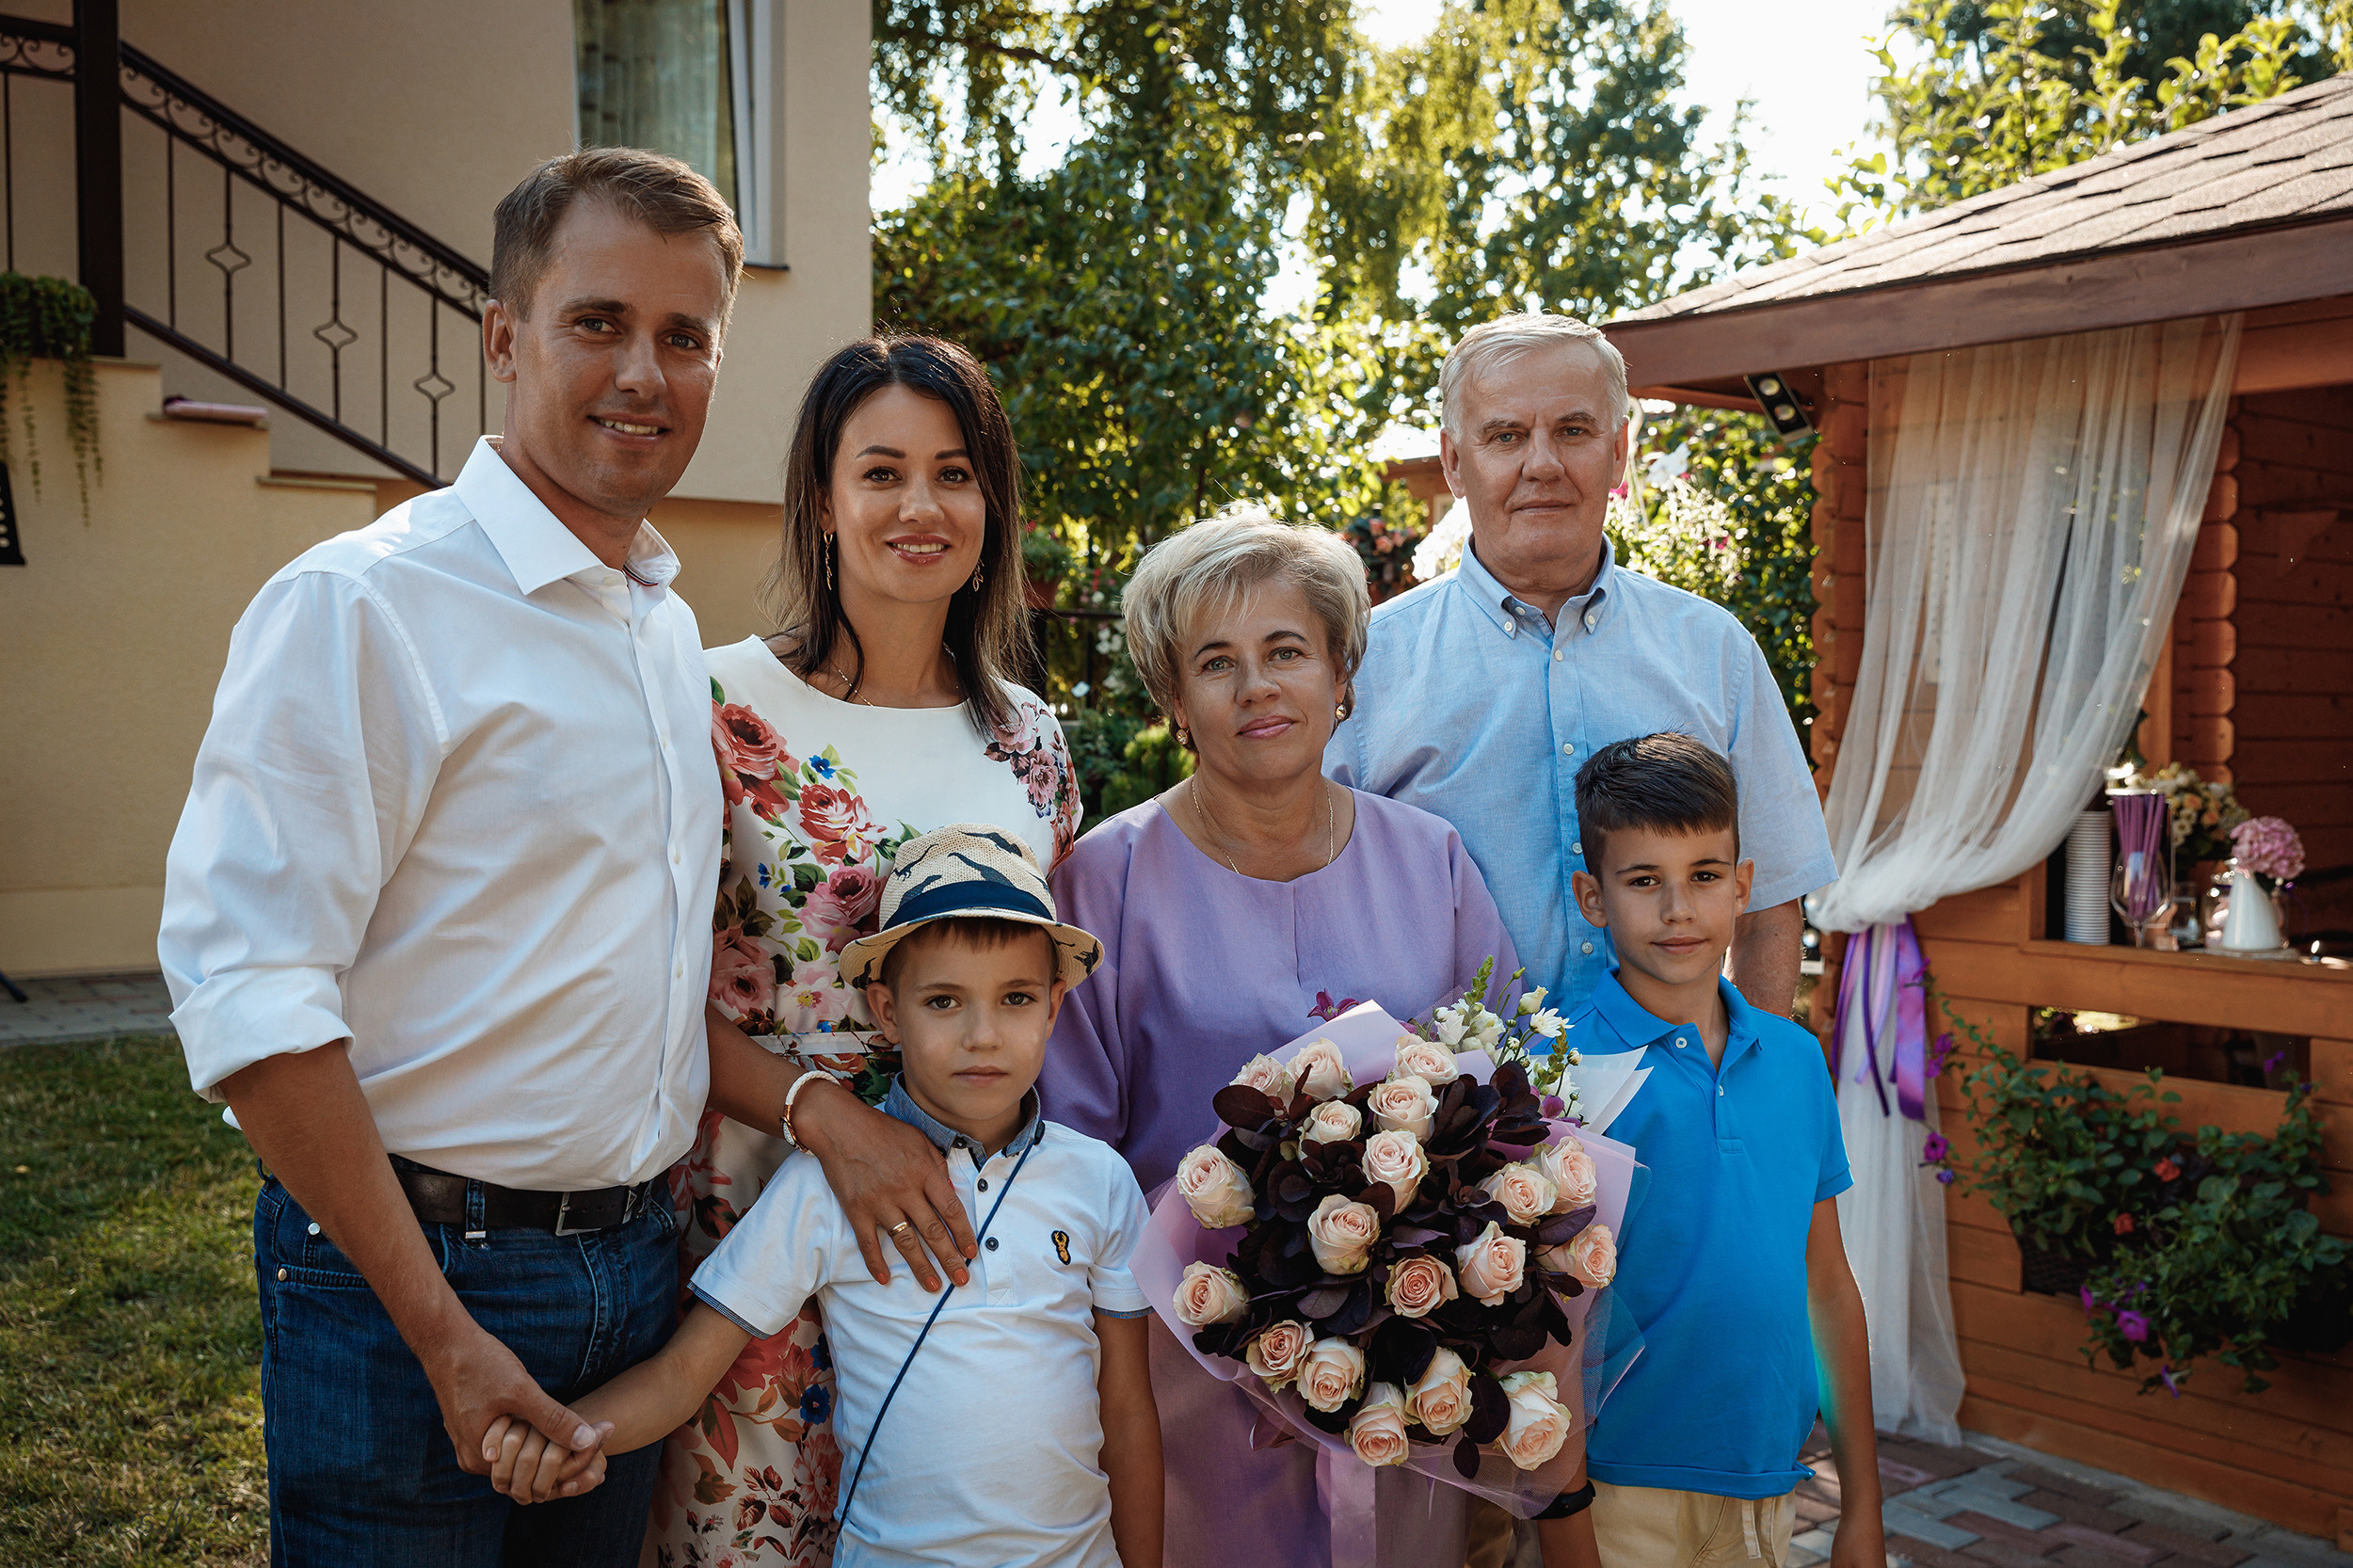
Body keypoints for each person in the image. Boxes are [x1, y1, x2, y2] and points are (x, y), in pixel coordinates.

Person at [157, 149, 744, 1563]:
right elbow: (249, 994)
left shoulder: (660, 623)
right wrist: (441, 1325)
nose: (644, 374)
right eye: (597, 322)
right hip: (410, 1283)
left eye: (685, 337)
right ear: (502, 337)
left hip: (636, 1276)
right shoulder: (365, 603)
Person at [662, 334, 1083, 1563]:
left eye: (954, 473)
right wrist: (828, 1117)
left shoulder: (1034, 743)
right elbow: (640, 995)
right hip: (751, 1224)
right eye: (882, 470)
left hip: (959, 1254)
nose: (920, 506)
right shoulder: (714, 704)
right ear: (822, 500)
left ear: (991, 505)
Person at [1041, 505, 1526, 1568]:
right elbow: (1065, 1154)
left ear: (1341, 675)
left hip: (1405, 1369)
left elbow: (1505, 1097)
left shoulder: (1432, 860)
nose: (1257, 685)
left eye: (1287, 651)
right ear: (1173, 698)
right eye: (1216, 661)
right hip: (1183, 1374)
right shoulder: (1103, 882)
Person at [484, 825, 1161, 1568]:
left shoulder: (1099, 1182)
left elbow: (1127, 1411)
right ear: (888, 1010)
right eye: (943, 1002)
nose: (982, 1035)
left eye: (1016, 999)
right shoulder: (824, 1189)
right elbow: (683, 1375)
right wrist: (569, 1436)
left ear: (1055, 1008)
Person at [1327, 312, 1836, 1020]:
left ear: (1619, 450)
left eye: (1573, 431)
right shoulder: (1363, 670)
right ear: (1452, 461)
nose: (1542, 464)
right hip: (1450, 1118)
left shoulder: (1715, 652)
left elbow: (1772, 903)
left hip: (1673, 1112)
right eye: (1506, 436)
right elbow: (1307, 912)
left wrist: (1739, 1093)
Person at [1556, 734, 1881, 1568]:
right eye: (1642, 882)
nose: (1678, 910)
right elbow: (1534, 1331)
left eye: (1705, 876)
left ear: (1742, 885)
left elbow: (1827, 1285)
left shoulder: (1796, 1060)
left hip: (1770, 1484)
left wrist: (1861, 1509)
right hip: (1616, 1492)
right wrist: (1565, 1531)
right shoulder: (1559, 1068)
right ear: (1592, 897)